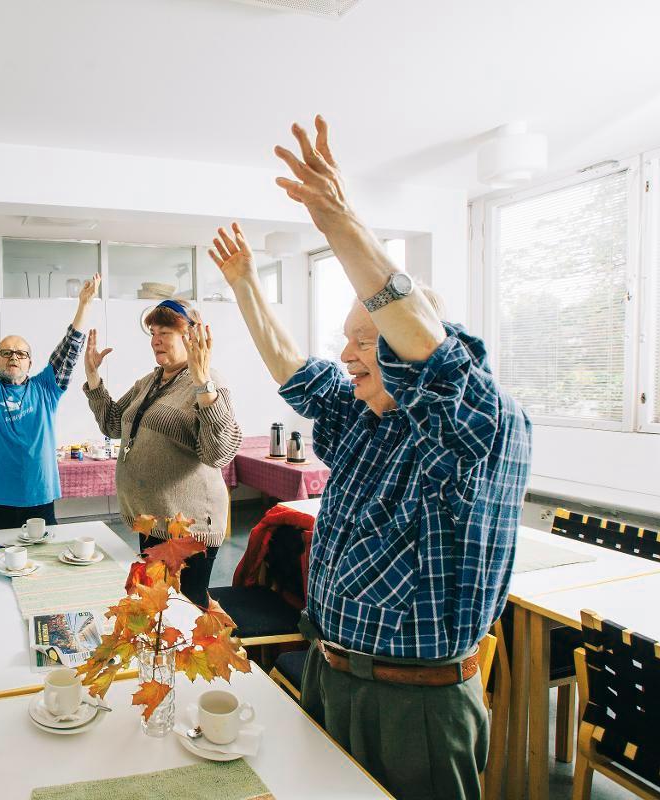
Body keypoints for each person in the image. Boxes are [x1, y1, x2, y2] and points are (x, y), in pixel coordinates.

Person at [207, 116, 531, 800]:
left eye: (365, 341)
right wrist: (244, 286)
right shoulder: (366, 418)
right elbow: (297, 371)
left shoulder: (480, 426)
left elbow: (435, 362)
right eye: (347, 339)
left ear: (409, 343)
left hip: (413, 705)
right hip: (330, 670)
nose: (348, 354)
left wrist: (341, 224)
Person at [82, 299, 242, 607]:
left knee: (182, 611)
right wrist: (93, 377)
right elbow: (114, 423)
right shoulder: (151, 380)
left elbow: (218, 454)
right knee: (156, 606)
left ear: (191, 337)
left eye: (165, 331)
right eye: (153, 332)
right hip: (152, 519)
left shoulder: (210, 383)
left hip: (187, 527)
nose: (156, 339)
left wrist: (202, 382)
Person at [0, 272, 99, 531]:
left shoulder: (46, 388)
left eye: (21, 353)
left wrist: (84, 305)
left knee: (41, 561)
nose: (14, 357)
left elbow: (69, 350)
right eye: (6, 353)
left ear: (30, 362)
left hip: (39, 495)